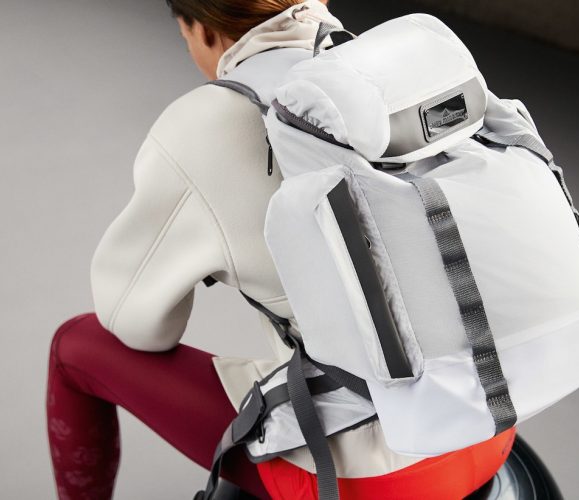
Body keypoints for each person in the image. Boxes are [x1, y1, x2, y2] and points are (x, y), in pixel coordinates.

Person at [45, 1, 516, 498]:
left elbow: (137, 325)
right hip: (493, 417)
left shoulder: (205, 124)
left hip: (374, 477)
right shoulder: (407, 69)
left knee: (74, 347)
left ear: (202, 29)